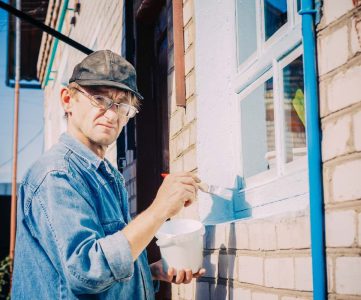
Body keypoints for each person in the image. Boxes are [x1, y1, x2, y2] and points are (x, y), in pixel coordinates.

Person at [11, 50, 205, 299]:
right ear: (68, 99)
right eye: (100, 99)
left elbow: (102, 269)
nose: (112, 114)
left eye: (123, 106)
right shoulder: (56, 175)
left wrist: (149, 272)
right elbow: (88, 272)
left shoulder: (106, 175)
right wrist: (161, 209)